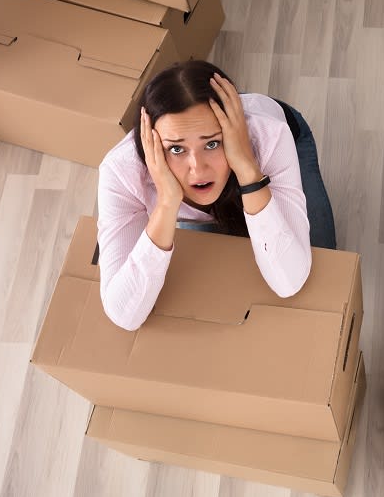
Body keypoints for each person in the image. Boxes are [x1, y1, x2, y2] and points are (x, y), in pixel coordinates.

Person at [97, 60, 336, 331]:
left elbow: (289, 282)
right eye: (176, 149)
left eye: (212, 144)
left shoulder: (269, 137)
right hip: (200, 184)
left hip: (275, 148)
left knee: (322, 270)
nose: (198, 169)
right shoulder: (122, 171)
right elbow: (123, 315)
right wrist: (166, 203)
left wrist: (248, 170)